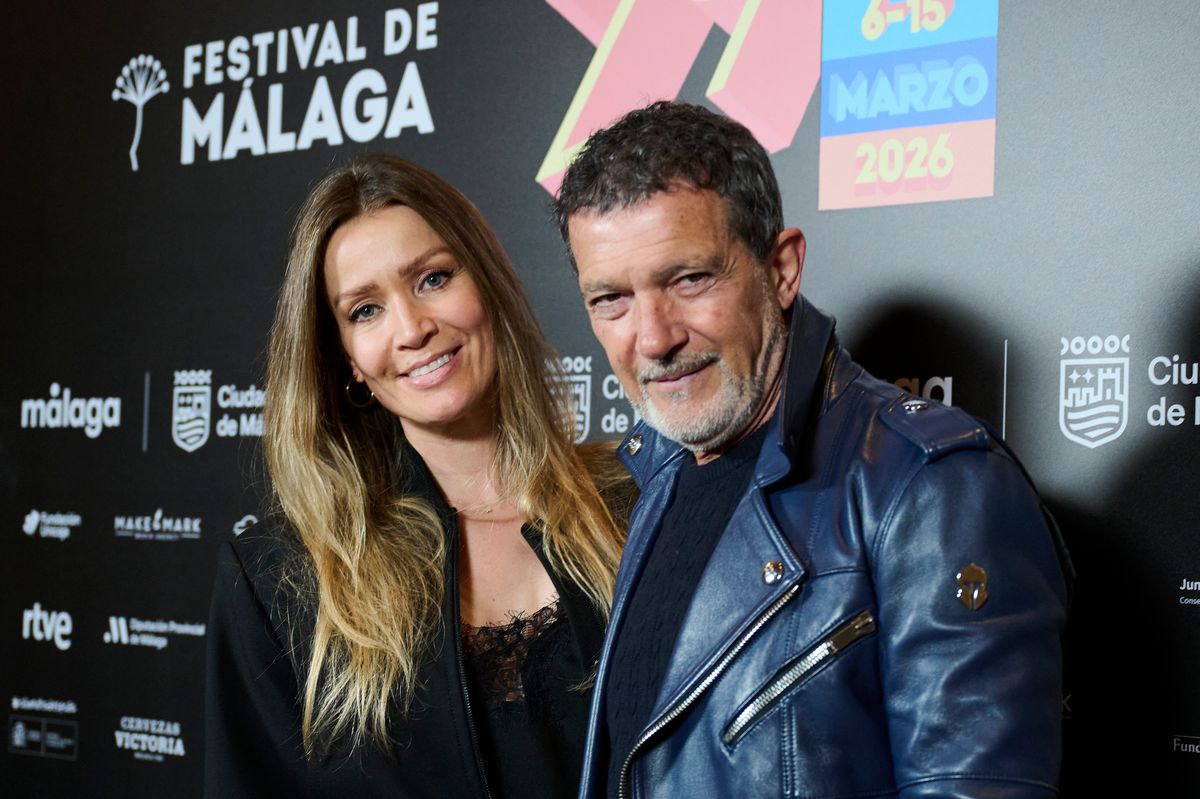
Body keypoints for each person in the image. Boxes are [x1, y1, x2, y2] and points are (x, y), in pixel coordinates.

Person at [553, 101, 1073, 799]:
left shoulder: (931, 487)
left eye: (688, 279)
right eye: (610, 298)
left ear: (783, 268)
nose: (651, 338)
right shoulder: (655, 476)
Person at [204, 154, 629, 799]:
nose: (412, 328)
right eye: (364, 311)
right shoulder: (277, 578)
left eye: (432, 279)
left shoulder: (640, 501)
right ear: (344, 358)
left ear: (485, 281)